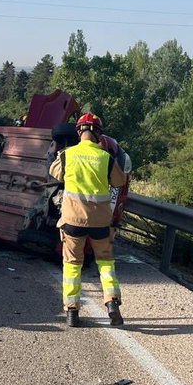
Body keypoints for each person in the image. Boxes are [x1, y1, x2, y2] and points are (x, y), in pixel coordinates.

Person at [49, 112, 129, 327]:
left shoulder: (67, 155)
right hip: (100, 222)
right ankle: (112, 303)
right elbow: (119, 181)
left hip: (73, 221)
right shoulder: (106, 157)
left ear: (79, 132)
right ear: (98, 134)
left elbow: (55, 174)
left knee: (72, 264)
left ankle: (72, 311)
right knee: (105, 262)